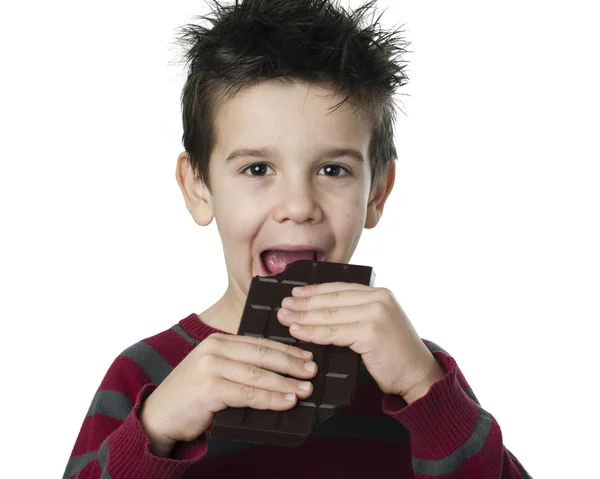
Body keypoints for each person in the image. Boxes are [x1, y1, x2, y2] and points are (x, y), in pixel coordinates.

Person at [63, 0, 532, 477]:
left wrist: (421, 386)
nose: (299, 205)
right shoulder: (145, 376)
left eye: (333, 169)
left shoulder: (421, 378)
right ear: (198, 187)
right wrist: (156, 429)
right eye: (257, 168)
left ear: (377, 192)